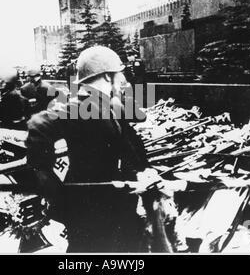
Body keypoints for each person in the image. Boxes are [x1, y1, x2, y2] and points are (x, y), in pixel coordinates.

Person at [25, 46, 154, 252]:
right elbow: (38, 124)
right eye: (118, 74)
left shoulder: (104, 104)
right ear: (106, 76)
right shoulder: (81, 106)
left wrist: (143, 169)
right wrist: (44, 175)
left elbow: (127, 140)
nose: (121, 79)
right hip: (88, 207)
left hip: (111, 202)